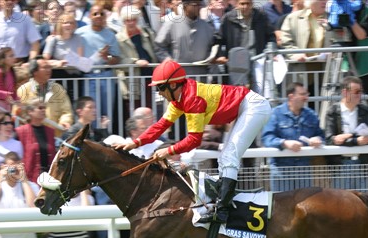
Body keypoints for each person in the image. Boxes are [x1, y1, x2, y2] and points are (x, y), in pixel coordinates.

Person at [112, 59, 271, 224]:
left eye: (160, 87)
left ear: (173, 85)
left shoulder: (192, 99)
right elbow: (160, 125)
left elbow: (194, 140)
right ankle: (224, 204)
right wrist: (135, 143)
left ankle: (223, 210)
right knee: (224, 158)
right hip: (246, 107)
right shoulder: (178, 100)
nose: (159, 93)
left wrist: (168, 151)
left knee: (229, 157)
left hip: (254, 107)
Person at [261, 82, 324, 192]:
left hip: (304, 169)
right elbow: (267, 138)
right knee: (282, 206)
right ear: (291, 96)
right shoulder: (275, 114)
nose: (306, 97)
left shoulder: (311, 115)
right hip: (281, 170)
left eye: (306, 94)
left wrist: (318, 140)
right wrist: (284, 143)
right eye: (302, 94)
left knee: (305, 205)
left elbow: (321, 136)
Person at [324, 75, 368, 190]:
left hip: (362, 164)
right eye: (356, 92)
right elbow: (329, 139)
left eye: (361, 91)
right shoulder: (333, 111)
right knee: (341, 205)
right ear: (345, 93)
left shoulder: (365, 111)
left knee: (363, 203)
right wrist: (356, 140)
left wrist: (347, 137)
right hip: (341, 166)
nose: (360, 95)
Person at [215, 0, 275, 91]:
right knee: (238, 91)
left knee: (260, 89)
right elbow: (219, 39)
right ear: (237, 4)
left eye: (248, 4)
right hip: (237, 61)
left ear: (252, 4)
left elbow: (271, 36)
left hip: (257, 59)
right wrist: (221, 55)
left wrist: (272, 52)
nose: (245, 6)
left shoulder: (261, 16)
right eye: (242, 4)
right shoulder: (228, 18)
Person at [75, 4, 122, 121]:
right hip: (88, 75)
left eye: (101, 14)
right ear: (90, 16)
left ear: (105, 16)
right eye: (95, 14)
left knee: (106, 112)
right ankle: (90, 136)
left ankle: (104, 136)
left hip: (106, 75)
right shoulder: (80, 33)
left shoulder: (110, 34)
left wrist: (107, 56)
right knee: (89, 110)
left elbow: (116, 58)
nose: (98, 16)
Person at [154, 0, 215, 77]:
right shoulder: (171, 24)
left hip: (201, 77)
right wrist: (168, 60)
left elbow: (212, 48)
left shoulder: (207, 27)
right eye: (195, 5)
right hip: (178, 76)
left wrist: (212, 57)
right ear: (185, 6)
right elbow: (159, 46)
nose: (198, 7)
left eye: (200, 5)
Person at [115, 6, 157, 118]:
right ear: (123, 21)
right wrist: (135, 62)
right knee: (135, 114)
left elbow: (155, 52)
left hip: (149, 78)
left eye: (134, 19)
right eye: (128, 20)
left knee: (149, 111)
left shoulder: (147, 34)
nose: (131, 22)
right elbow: (118, 60)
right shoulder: (118, 38)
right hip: (132, 81)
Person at [16, 58, 73, 137]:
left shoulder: (58, 88)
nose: (49, 70)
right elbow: (18, 114)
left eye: (50, 67)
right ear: (35, 71)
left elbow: (66, 111)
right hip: (31, 135)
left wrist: (65, 121)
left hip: (54, 136)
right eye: (45, 67)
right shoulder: (23, 90)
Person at [42, 12, 85, 100]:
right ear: (60, 25)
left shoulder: (78, 38)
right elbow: (44, 60)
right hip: (58, 77)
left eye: (71, 22)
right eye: (65, 23)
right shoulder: (53, 40)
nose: (68, 25)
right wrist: (57, 62)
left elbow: (80, 58)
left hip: (75, 77)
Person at [15, 101, 57, 184]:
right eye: (40, 108)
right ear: (30, 112)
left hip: (49, 178)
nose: (43, 110)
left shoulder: (50, 131)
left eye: (44, 108)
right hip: (30, 180)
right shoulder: (21, 132)